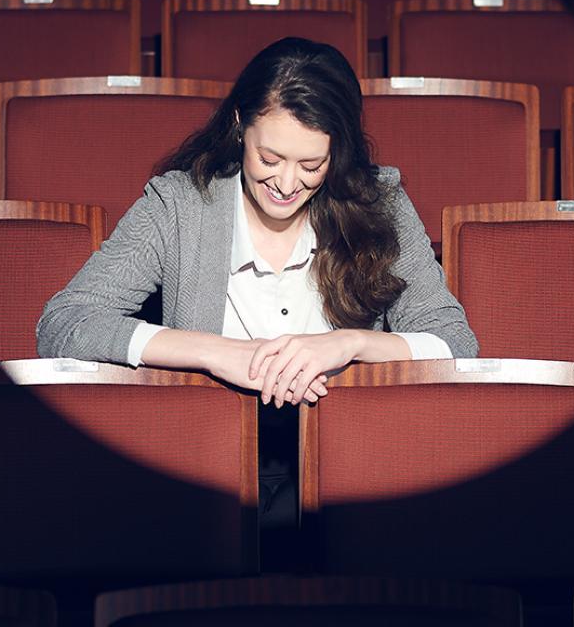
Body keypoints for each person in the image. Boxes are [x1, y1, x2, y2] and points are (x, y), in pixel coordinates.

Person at [37, 36, 478, 562]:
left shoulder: (378, 202)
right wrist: (210, 351)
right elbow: (64, 323)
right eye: (270, 158)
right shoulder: (179, 204)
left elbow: (456, 344)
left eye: (312, 165)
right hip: (208, 475)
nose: (288, 183)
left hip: (353, 475)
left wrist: (350, 345)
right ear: (240, 125)